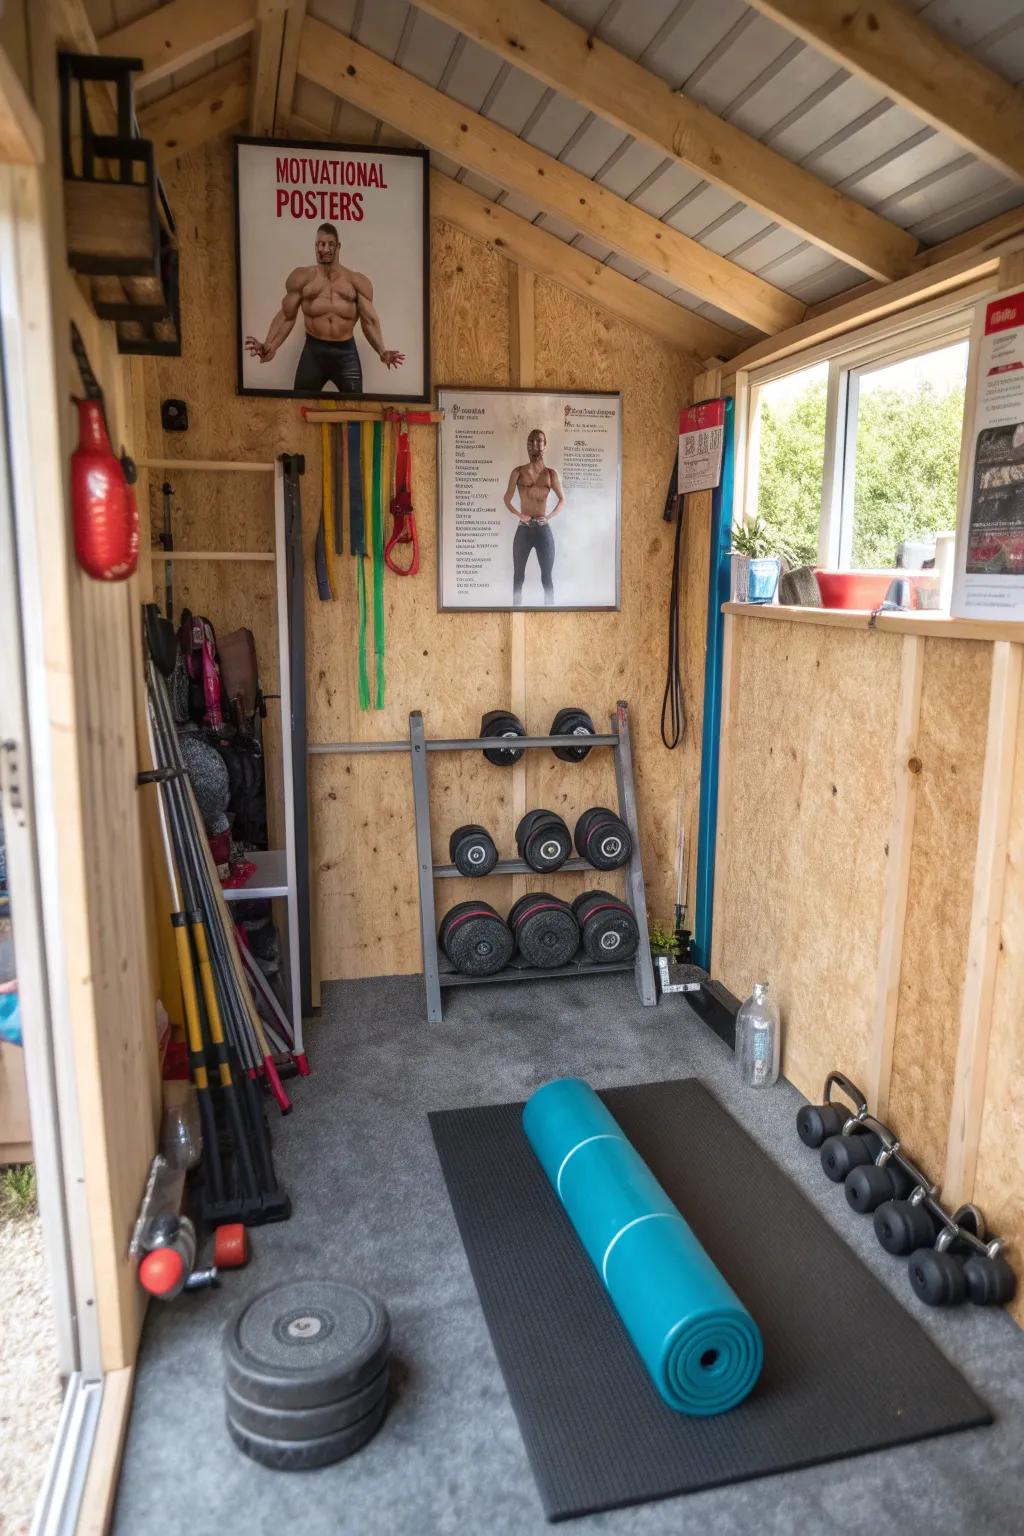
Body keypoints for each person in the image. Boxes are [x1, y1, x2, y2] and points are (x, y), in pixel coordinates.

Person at [244, 223, 405, 394]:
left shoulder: (357, 282)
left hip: (346, 353)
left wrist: (382, 351)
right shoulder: (301, 278)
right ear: (315, 246)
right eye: (320, 244)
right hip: (314, 352)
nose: (325, 248)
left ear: (338, 246)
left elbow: (369, 321)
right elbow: (286, 315)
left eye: (330, 244)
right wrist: (270, 345)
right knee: (298, 406)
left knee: (355, 408)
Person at [503, 429, 565, 606]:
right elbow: (506, 499)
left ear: (545, 445)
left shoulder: (551, 474)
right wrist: (520, 515)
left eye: (539, 441)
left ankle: (550, 613)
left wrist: (549, 517)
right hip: (524, 530)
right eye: (531, 441)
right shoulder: (518, 472)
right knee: (518, 576)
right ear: (527, 445)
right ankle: (516, 611)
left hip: (543, 530)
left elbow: (562, 500)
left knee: (546, 577)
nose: (534, 445)